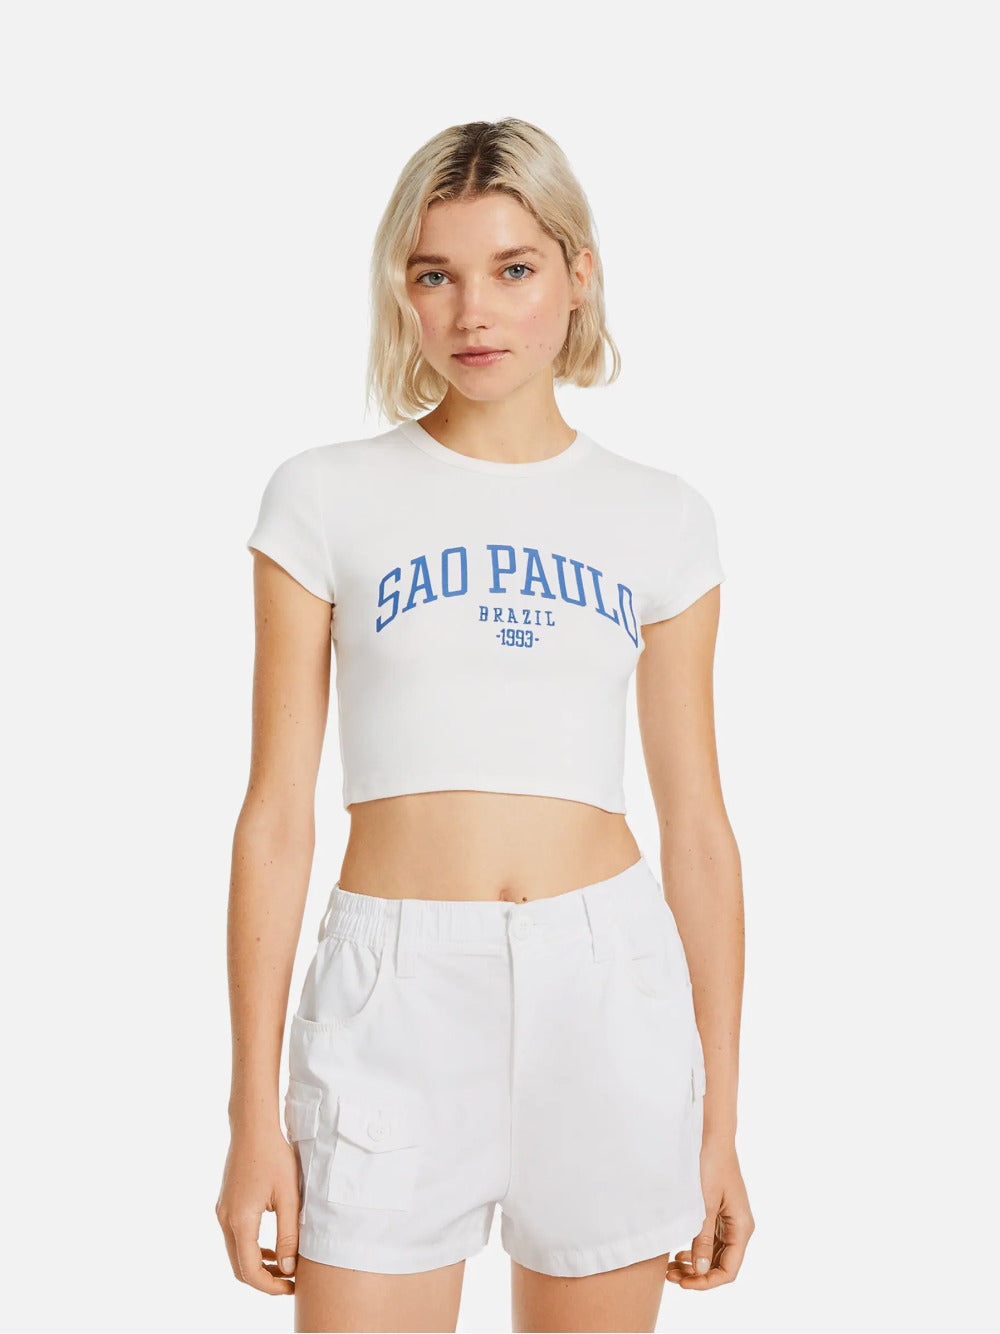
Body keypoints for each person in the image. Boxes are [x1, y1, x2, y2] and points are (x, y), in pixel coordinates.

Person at [216, 117, 753, 1334]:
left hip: (606, 984)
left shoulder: (661, 517)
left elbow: (698, 831)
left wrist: (717, 1119)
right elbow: (275, 817)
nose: (474, 312)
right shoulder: (322, 497)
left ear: (577, 273)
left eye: (513, 268)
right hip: (392, 992)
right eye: (434, 274)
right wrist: (252, 1113)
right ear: (400, 290)